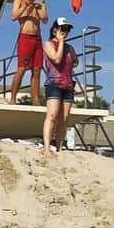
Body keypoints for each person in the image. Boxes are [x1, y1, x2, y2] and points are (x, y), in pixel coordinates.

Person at [41, 17, 77, 158]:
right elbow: (56, 59)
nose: (65, 32)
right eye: (62, 29)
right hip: (54, 83)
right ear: (55, 30)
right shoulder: (49, 44)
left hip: (67, 84)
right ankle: (46, 147)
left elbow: (75, 61)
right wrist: (60, 42)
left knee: (64, 117)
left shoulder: (69, 48)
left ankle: (60, 147)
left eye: (67, 30)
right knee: (52, 115)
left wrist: (70, 57)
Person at [9, 0, 47, 105]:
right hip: (25, 36)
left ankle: (35, 99)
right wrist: (29, 4)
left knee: (37, 69)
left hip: (37, 38)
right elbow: (14, 16)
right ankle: (13, 98)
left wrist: (37, 4)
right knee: (21, 69)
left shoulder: (40, 0)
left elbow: (45, 18)